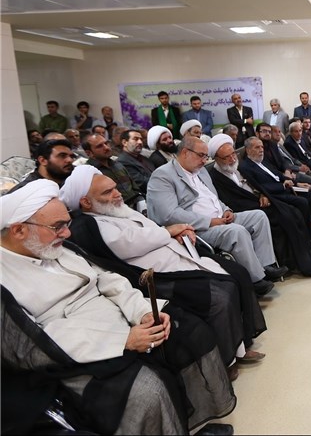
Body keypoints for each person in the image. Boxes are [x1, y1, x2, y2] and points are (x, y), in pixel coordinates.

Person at [0, 180, 236, 435]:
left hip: (119, 318)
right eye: (58, 226)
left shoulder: (51, 245)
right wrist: (123, 340)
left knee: (189, 332)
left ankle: (189, 426)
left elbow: (106, 279)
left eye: (66, 224)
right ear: (19, 230)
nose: (67, 234)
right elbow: (33, 344)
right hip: (75, 352)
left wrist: (142, 312)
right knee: (146, 391)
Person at [59, 165, 268, 374]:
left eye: (115, 188)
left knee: (237, 273)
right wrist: (169, 232)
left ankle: (241, 345)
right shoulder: (89, 224)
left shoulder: (118, 210)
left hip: (178, 256)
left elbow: (151, 229)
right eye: (107, 192)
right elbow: (130, 243)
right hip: (159, 275)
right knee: (221, 296)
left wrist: (175, 233)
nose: (117, 194)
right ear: (86, 202)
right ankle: (227, 359)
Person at [146, 135, 288, 287]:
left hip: (220, 218)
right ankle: (256, 280)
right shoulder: (163, 176)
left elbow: (213, 198)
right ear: (185, 153)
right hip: (198, 228)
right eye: (201, 155)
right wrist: (210, 221)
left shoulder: (201, 171)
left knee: (259, 216)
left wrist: (226, 210)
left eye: (206, 156)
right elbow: (168, 215)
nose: (204, 160)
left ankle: (266, 266)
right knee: (237, 231)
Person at [207, 135, 311, 277]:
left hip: (260, 201)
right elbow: (230, 201)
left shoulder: (238, 167)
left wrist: (263, 194)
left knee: (293, 212)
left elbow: (254, 185)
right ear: (216, 158)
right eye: (227, 157)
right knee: (282, 220)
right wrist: (258, 200)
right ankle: (287, 263)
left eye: (233, 154)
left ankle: (299, 259)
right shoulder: (215, 176)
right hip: (246, 209)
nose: (232, 159)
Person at [83, 134, 146, 213]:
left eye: (106, 143)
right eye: (99, 146)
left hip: (136, 207)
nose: (106, 147)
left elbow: (134, 187)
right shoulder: (89, 173)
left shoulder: (117, 164)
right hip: (114, 212)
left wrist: (141, 201)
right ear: (89, 153)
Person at [11, 139, 75, 191]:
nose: (70, 160)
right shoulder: (25, 190)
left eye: (71, 156)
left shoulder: (73, 179)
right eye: (62, 156)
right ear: (43, 160)